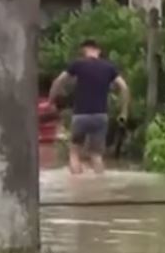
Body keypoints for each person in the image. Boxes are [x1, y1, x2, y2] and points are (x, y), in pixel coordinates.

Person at [48, 39, 130, 175]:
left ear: (84, 50)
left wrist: (51, 101)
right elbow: (124, 87)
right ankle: (99, 188)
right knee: (96, 156)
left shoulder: (78, 64)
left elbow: (59, 81)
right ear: (98, 50)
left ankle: (77, 189)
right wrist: (124, 111)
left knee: (74, 152)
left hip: (81, 115)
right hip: (101, 116)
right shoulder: (108, 67)